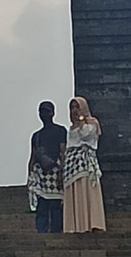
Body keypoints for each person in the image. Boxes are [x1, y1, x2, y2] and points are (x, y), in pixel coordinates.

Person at [63, 96, 106, 233]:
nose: (74, 111)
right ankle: (75, 226)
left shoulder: (92, 124)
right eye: (72, 108)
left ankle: (91, 223)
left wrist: (81, 121)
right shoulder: (70, 129)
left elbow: (85, 135)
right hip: (72, 164)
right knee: (75, 191)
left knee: (86, 190)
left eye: (77, 107)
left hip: (85, 163)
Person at [27, 101, 67, 233]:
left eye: (47, 111)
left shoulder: (60, 131)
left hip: (55, 172)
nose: (45, 114)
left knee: (56, 207)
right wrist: (30, 175)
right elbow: (33, 156)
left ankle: (56, 232)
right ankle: (42, 232)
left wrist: (62, 173)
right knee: (42, 206)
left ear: (53, 113)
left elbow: (63, 152)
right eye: (42, 112)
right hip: (41, 174)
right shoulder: (36, 136)